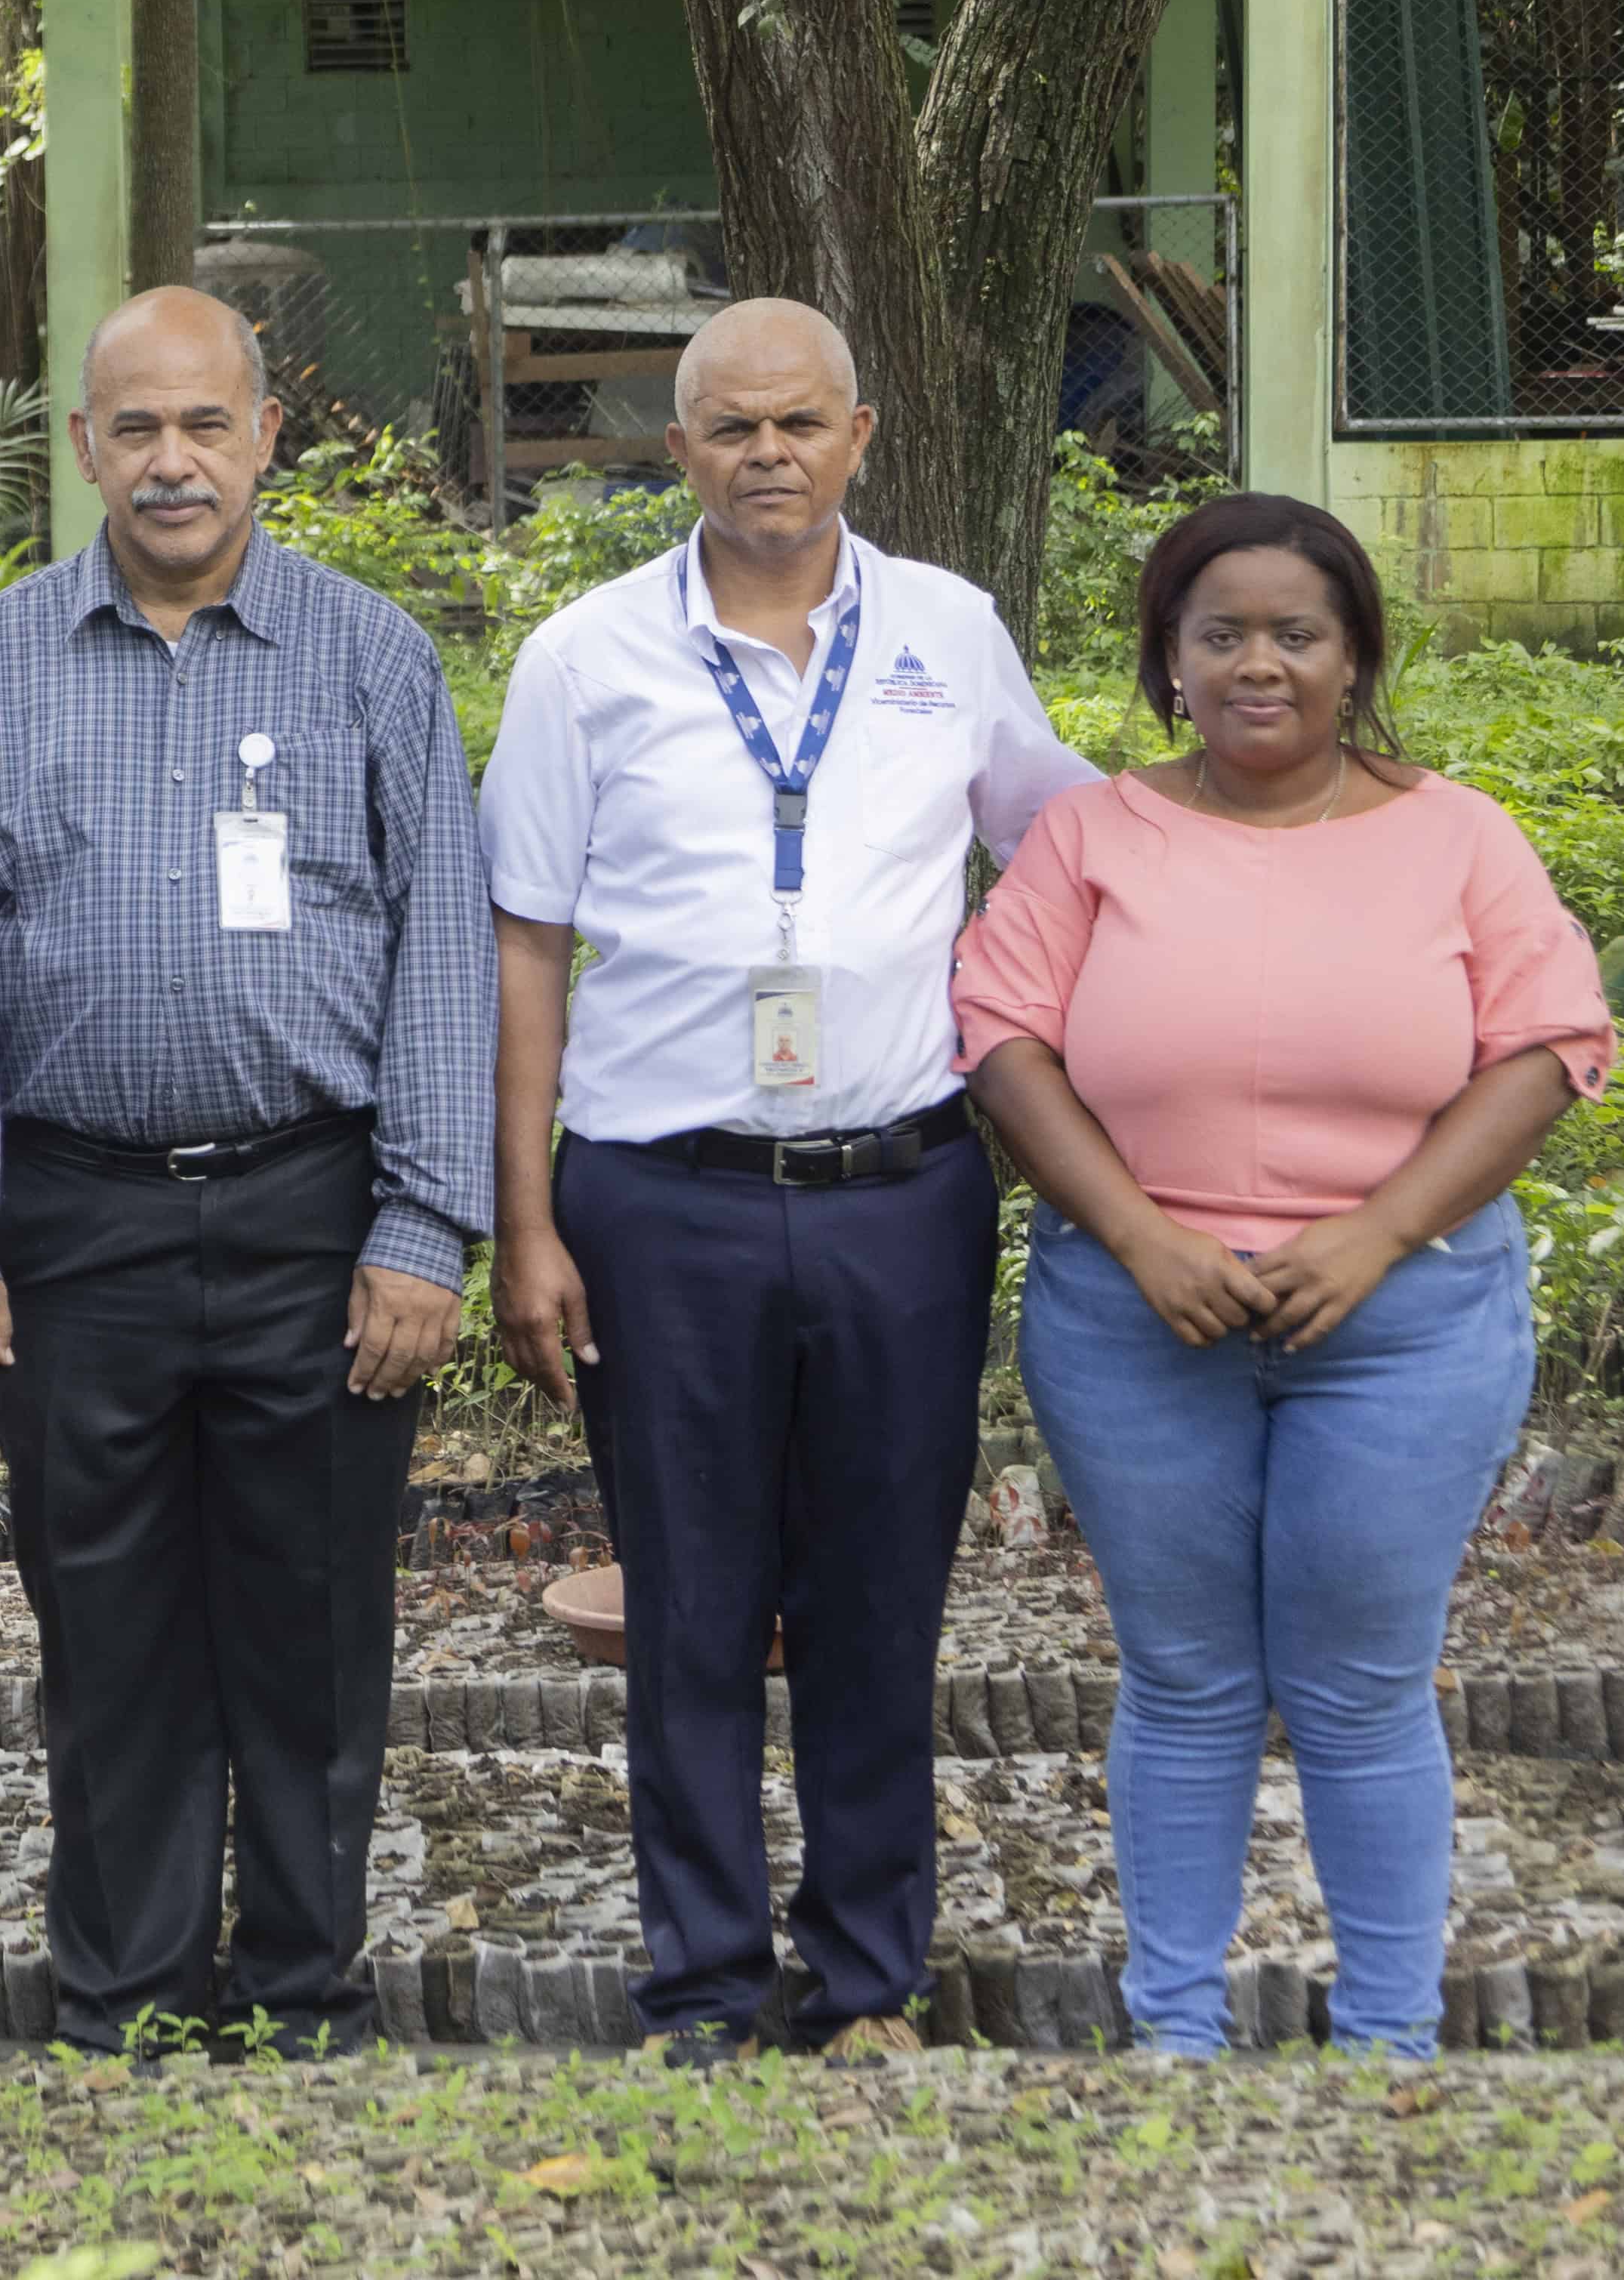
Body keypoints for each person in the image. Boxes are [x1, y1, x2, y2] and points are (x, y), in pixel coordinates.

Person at [479, 296, 1092, 2063]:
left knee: (878, 1593)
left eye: (800, 423)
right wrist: (524, 1219)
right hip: (658, 1200)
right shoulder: (586, 658)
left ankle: (868, 1972)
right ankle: (701, 1976)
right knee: (686, 1597)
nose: (768, 454)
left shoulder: (950, 631)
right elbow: (527, 945)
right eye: (731, 426)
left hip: (904, 1184)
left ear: (861, 435)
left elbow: (1053, 853)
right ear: (675, 448)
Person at [0, 287, 493, 2057]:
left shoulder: (371, 654)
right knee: (105, 1617)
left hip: (316, 1207)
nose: (173, 461)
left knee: (312, 1619)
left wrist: (422, 1220)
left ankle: (305, 1984)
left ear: (264, 436)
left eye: (206, 425)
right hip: (69, 1213)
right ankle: (132, 1989)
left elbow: (446, 949)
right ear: (84, 445)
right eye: (135, 428)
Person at [955, 494, 1606, 2059]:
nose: (1261, 664)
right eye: (1221, 634)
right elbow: (1002, 1035)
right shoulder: (1091, 834)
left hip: (1406, 1320)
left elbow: (1548, 1043)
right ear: (1170, 661)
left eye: (1297, 633)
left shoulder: (1460, 835)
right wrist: (1142, 1233)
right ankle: (1173, 2035)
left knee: (1362, 1680)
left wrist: (1373, 1232)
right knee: (1183, 1677)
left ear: (1355, 654)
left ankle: (1388, 2041)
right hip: (1138, 1319)